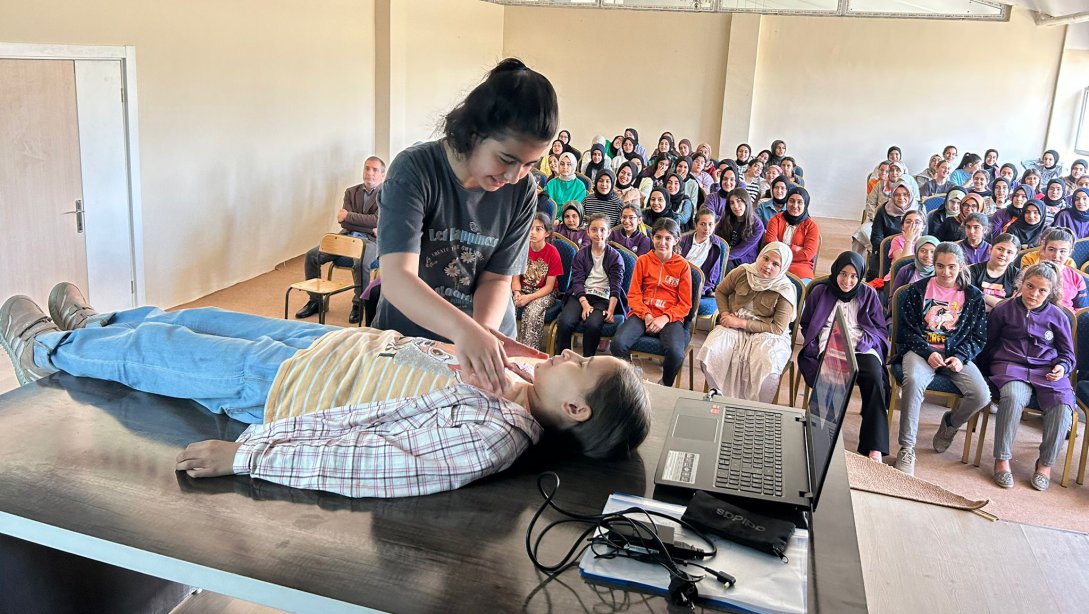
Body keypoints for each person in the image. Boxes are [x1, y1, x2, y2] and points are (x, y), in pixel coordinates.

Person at [0, 285, 650, 498]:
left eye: (582, 364)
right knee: (188, 318)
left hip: (285, 387)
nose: (569, 351)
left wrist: (247, 455)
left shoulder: (493, 439)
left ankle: (47, 352)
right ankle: (94, 330)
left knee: (161, 354)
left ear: (575, 409)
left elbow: (369, 465)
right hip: (331, 348)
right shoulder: (515, 383)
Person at [373, 59, 557, 396]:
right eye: (506, 159)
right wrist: (466, 333)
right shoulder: (415, 171)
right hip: (410, 338)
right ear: (473, 134)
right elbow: (398, 278)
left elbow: (497, 278)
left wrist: (481, 335)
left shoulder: (523, 189)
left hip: (481, 333)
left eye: (529, 164)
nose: (515, 176)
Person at [891, 242, 989, 477]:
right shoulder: (917, 290)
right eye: (940, 266)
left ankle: (950, 424)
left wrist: (960, 357)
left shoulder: (973, 296)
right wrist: (927, 352)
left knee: (981, 395)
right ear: (933, 265)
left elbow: (978, 337)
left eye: (952, 267)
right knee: (913, 381)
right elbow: (906, 331)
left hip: (955, 353)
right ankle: (907, 447)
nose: (946, 272)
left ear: (961, 266)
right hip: (922, 349)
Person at [984, 263, 1075, 491]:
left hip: (1047, 369)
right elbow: (988, 344)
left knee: (1063, 407)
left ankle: (1045, 464)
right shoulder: (1003, 309)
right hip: (1010, 365)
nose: (1034, 294)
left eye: (1042, 290)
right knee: (1013, 398)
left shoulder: (1058, 316)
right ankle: (1002, 459)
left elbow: (1067, 354)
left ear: (1051, 292)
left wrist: (1062, 367)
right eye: (1030, 286)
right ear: (1021, 284)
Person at [797, 252, 889, 461]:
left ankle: (873, 445)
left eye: (854, 276)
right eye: (843, 274)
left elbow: (880, 329)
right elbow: (806, 323)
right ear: (836, 272)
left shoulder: (868, 294)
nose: (847, 281)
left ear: (860, 277)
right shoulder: (820, 291)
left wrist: (871, 339)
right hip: (830, 341)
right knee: (832, 377)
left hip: (861, 343)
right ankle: (820, 437)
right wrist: (813, 343)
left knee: (874, 378)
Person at [696, 243, 796, 402]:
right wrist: (725, 313)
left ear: (782, 267)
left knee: (767, 363)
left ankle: (758, 410)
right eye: (766, 258)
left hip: (767, 332)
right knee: (711, 350)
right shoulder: (743, 272)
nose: (767, 266)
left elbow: (777, 328)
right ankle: (720, 401)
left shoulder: (784, 289)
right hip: (734, 323)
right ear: (760, 255)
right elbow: (721, 291)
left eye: (775, 264)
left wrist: (740, 323)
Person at [296, 156, 386, 323]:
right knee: (312, 256)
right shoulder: (351, 192)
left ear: (382, 174)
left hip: (371, 242)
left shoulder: (387, 193)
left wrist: (352, 219)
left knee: (361, 263)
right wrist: (367, 225)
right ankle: (316, 301)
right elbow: (344, 221)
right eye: (367, 168)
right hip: (346, 238)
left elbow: (377, 220)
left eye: (374, 170)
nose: (370, 173)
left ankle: (359, 304)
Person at [610, 218, 693, 387]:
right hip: (642, 313)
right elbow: (633, 294)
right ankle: (632, 380)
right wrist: (646, 314)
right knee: (618, 344)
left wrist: (664, 318)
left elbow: (685, 304)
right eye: (658, 237)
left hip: (669, 317)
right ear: (652, 238)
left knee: (677, 354)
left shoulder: (683, 266)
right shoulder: (643, 261)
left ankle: (665, 384)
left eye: (668, 238)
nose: (662, 242)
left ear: (676, 240)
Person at [554, 214, 627, 357]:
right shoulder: (581, 254)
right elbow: (577, 281)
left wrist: (611, 310)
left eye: (602, 230)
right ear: (588, 231)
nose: (598, 234)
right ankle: (563, 358)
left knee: (593, 324)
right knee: (564, 322)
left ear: (608, 232)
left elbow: (616, 286)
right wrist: (585, 304)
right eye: (594, 229)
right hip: (581, 295)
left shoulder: (615, 257)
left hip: (603, 298)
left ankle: (588, 361)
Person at [512, 214, 564, 351]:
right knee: (507, 304)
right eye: (530, 228)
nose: (533, 232)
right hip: (523, 289)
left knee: (533, 312)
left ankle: (529, 351)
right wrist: (517, 293)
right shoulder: (522, 248)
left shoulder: (553, 253)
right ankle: (509, 347)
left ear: (547, 233)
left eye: (538, 229)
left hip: (545, 293)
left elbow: (549, 287)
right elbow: (515, 278)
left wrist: (528, 298)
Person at [763, 186, 820, 282]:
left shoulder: (811, 226)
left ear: (805, 204)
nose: (795, 205)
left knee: (799, 291)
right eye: (791, 201)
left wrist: (782, 247)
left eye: (800, 202)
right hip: (774, 263)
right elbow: (771, 245)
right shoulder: (775, 220)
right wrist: (796, 248)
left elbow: (808, 254)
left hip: (800, 267)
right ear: (786, 202)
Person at [868, 181, 919, 277]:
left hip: (916, 252)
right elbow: (876, 238)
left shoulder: (918, 210)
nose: (901, 198)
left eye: (905, 194)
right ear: (892, 196)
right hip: (887, 252)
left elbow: (923, 235)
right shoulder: (883, 211)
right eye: (897, 195)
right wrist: (894, 250)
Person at [1036, 227, 1089, 311]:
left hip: (1066, 320)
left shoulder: (1076, 278)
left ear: (1070, 252)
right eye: (1051, 249)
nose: (1056, 255)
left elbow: (1081, 310)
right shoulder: (1032, 273)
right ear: (1044, 249)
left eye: (1063, 251)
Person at [680, 207, 727, 297]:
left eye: (710, 224)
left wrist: (707, 289)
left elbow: (714, 271)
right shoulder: (684, 240)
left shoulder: (715, 245)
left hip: (697, 282)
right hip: (679, 276)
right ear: (695, 225)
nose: (707, 228)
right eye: (702, 224)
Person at [969, 233, 1021, 312]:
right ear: (990, 249)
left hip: (1005, 319)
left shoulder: (1017, 275)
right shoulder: (973, 270)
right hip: (976, 317)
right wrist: (1005, 304)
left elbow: (1015, 306)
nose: (1003, 254)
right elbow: (971, 301)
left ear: (1015, 257)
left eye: (1009, 252)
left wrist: (981, 296)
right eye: (1000, 249)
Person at [714, 188, 763, 270]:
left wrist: (721, 256)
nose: (736, 206)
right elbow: (717, 237)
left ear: (746, 201)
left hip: (743, 259)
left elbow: (742, 249)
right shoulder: (727, 217)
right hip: (725, 252)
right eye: (732, 203)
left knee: (722, 265)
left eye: (739, 201)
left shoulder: (757, 226)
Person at [883, 210, 926, 282]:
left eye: (917, 222)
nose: (912, 225)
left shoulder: (927, 242)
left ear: (923, 227)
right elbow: (901, 265)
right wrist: (909, 241)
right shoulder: (897, 240)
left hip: (921, 279)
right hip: (897, 279)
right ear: (903, 226)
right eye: (908, 222)